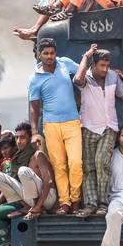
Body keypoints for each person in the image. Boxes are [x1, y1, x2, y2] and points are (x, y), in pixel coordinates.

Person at [73, 43, 123, 218]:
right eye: (101, 65)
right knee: (88, 167)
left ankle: (103, 202)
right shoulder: (86, 78)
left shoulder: (112, 77)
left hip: (109, 127)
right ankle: (90, 204)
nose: (105, 69)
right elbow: (77, 80)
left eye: (107, 65)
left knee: (102, 162)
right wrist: (86, 57)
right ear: (93, 65)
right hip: (88, 126)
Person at [28, 38, 83, 213]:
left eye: (52, 53)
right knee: (59, 165)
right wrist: (35, 132)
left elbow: (83, 71)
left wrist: (89, 58)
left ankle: (76, 200)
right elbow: (33, 108)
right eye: (46, 53)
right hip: (51, 125)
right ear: (39, 55)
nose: (50, 56)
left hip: (72, 122)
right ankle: (65, 203)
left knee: (75, 163)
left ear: (55, 53)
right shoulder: (34, 79)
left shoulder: (65, 64)